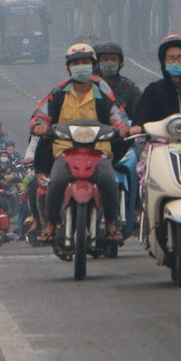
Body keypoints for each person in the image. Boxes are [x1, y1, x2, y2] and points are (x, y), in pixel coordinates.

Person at [33, 43, 128, 243]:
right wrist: (40, 126)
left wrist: (121, 127)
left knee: (109, 181)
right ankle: (50, 224)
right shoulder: (58, 93)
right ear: (69, 67)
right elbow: (40, 114)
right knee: (57, 181)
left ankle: (111, 222)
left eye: (85, 62)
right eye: (76, 63)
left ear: (93, 66)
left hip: (98, 152)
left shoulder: (102, 92)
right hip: (65, 152)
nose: (81, 66)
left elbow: (117, 114)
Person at [94, 42, 141, 120]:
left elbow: (141, 112)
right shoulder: (90, 86)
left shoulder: (129, 87)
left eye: (113, 59)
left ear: (120, 63)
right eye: (105, 60)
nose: (109, 63)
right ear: (98, 63)